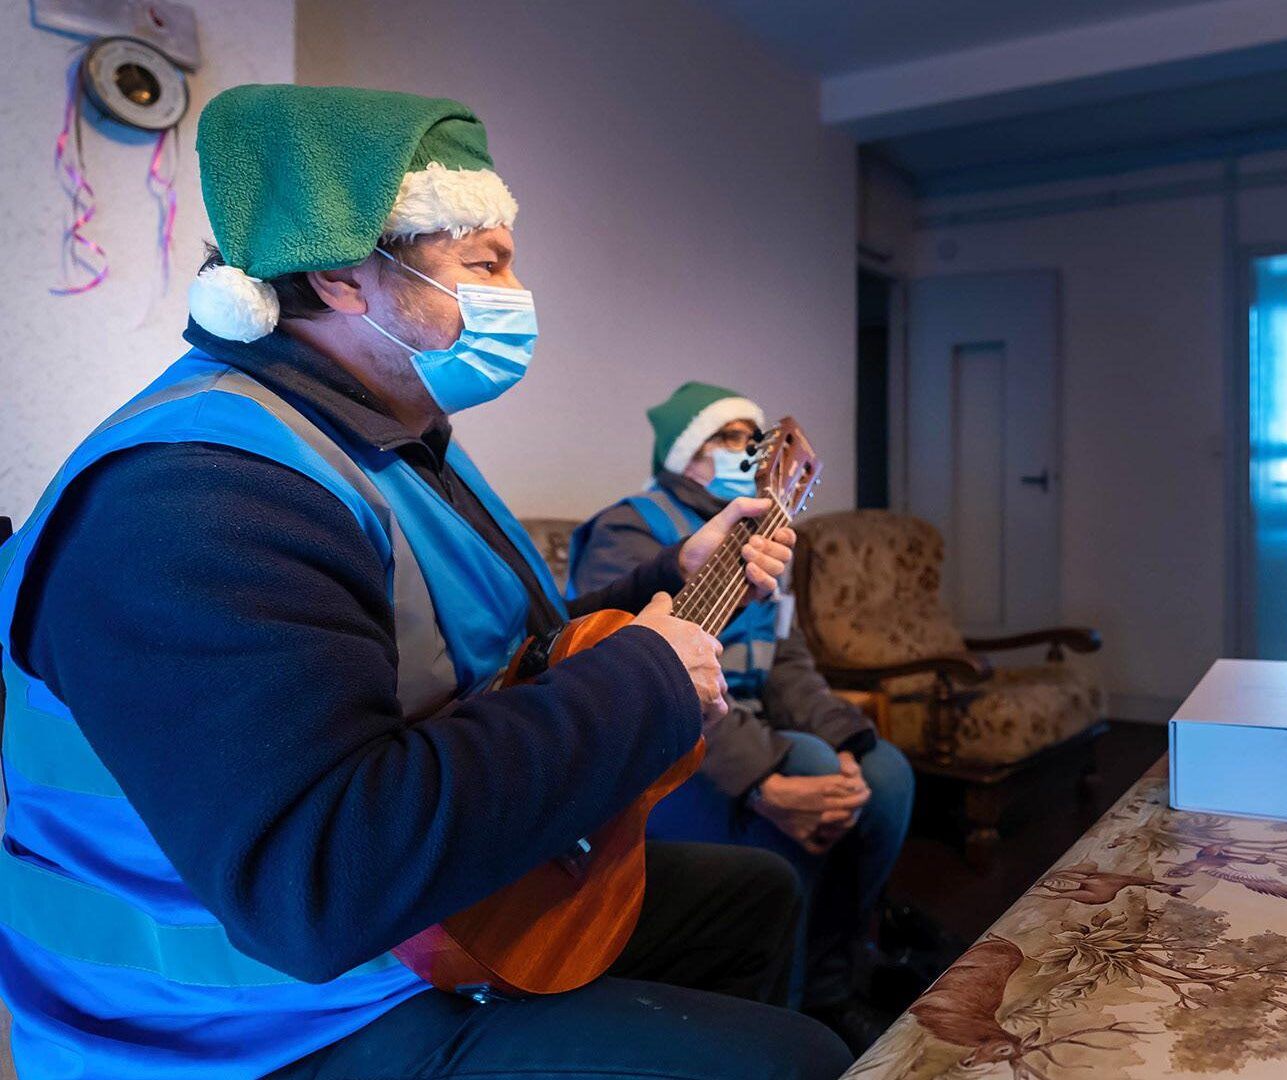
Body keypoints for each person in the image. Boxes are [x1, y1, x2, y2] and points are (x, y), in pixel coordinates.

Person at [0, 85, 849, 1079]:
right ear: (340, 276)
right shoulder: (197, 498)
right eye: (483, 264)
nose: (516, 295)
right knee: (796, 1060)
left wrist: (673, 576)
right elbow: (317, 884)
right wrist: (650, 682)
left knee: (753, 899)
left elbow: (494, 659)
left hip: (417, 929)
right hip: (247, 1025)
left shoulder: (388, 437)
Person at [570, 382, 914, 1050]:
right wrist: (763, 778)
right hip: (670, 750)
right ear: (685, 453)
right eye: (726, 437)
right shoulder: (630, 529)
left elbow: (787, 662)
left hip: (752, 726)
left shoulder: (763, 538)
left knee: (886, 776)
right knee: (806, 767)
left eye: (751, 439)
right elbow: (618, 667)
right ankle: (782, 1017)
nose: (744, 450)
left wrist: (847, 744)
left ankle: (833, 984)